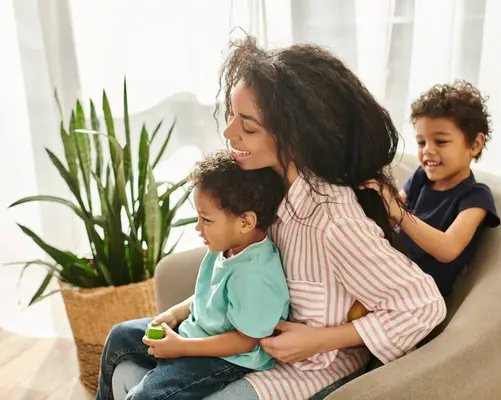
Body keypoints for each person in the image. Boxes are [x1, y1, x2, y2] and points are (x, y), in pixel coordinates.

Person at [112, 35, 447, 400]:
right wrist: (181, 311)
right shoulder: (260, 187)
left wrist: (320, 339)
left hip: (304, 368)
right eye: (230, 116)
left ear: (296, 138)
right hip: (241, 341)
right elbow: (238, 279)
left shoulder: (333, 221)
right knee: (121, 345)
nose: (228, 133)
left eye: (248, 126)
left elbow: (422, 305)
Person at [96, 151, 290, 399]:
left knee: (147, 395)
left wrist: (183, 347)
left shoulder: (256, 275)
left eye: (206, 219)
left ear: (245, 222)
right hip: (194, 332)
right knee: (120, 335)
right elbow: (206, 295)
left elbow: (245, 341)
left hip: (226, 358)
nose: (198, 228)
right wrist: (175, 313)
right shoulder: (224, 247)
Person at [363, 81, 501, 297]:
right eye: (421, 143)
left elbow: (448, 248)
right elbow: (387, 218)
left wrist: (399, 213)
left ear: (475, 144)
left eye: (441, 141)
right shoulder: (421, 177)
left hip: (419, 295)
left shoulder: (476, 197)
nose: (428, 151)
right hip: (388, 271)